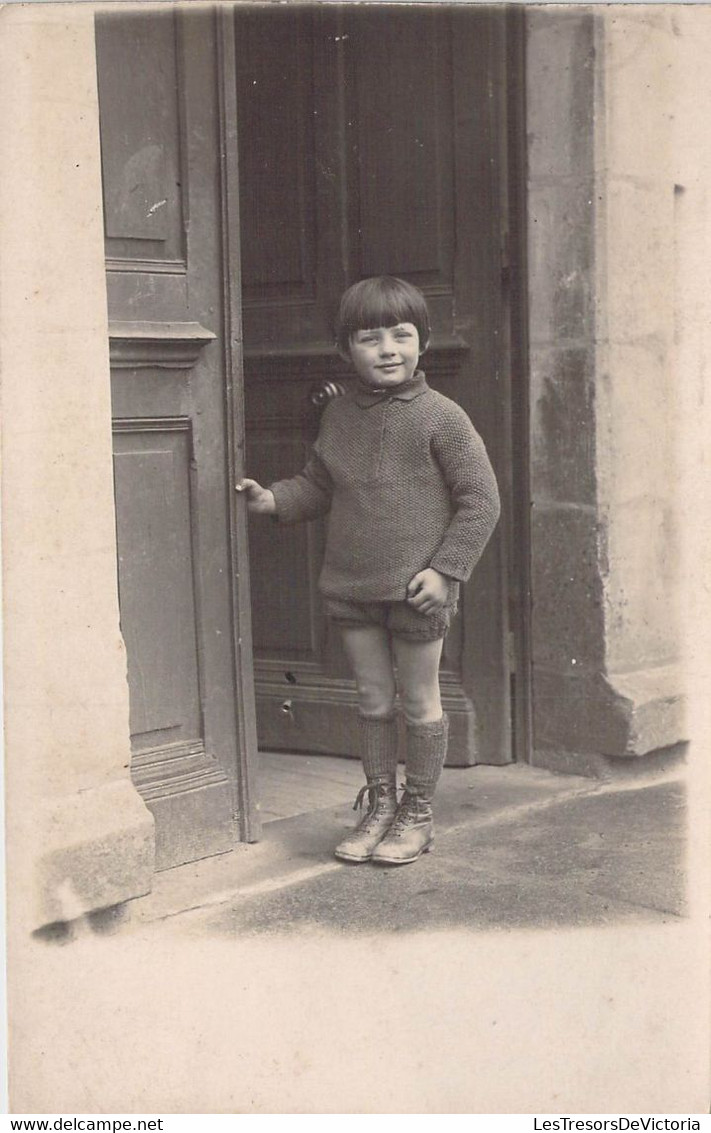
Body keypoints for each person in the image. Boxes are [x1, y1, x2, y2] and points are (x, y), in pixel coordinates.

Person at [236, 276, 500, 865]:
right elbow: (317, 486)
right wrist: (273, 500)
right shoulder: (338, 416)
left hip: (417, 594)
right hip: (353, 588)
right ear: (345, 350)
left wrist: (446, 572)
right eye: (369, 337)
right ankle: (380, 804)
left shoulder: (442, 418)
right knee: (373, 699)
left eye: (402, 335)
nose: (388, 349)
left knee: (419, 701)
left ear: (423, 343)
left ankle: (419, 812)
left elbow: (481, 501)